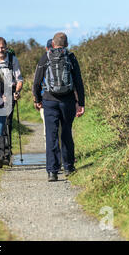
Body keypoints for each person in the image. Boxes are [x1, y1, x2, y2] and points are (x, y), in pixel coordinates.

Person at [33, 32, 85, 181]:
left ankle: (52, 171)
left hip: (49, 100)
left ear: (53, 44)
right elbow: (78, 82)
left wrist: (37, 99)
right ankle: (68, 167)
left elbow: (37, 81)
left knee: (52, 135)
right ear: (67, 44)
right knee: (66, 133)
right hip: (67, 101)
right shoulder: (71, 57)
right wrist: (80, 103)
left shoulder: (46, 57)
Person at [0, 37, 23, 165]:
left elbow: (19, 80)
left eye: (2, 47)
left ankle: (7, 153)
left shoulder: (12, 59)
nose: (0, 50)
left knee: (8, 123)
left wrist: (17, 92)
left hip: (10, 92)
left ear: (6, 47)